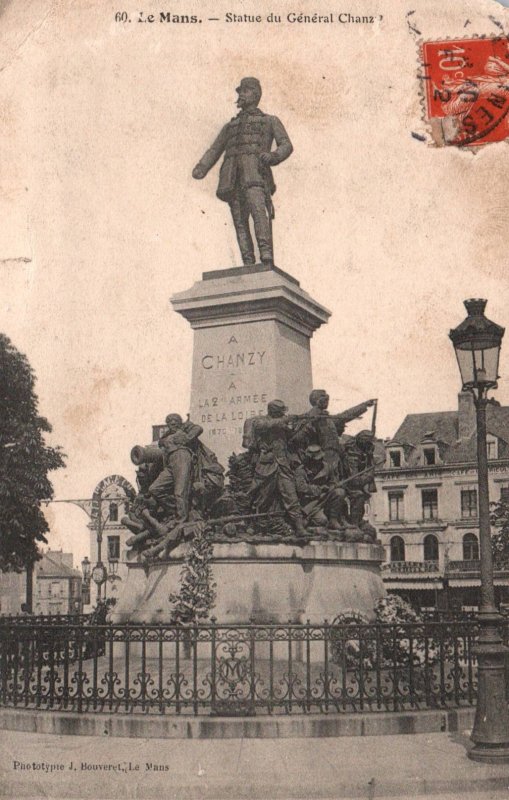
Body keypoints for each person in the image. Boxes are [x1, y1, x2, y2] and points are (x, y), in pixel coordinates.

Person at [192, 77, 293, 267]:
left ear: (255, 94)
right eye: (240, 92)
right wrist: (202, 168)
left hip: (256, 176)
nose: (240, 95)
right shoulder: (231, 126)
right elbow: (215, 149)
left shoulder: (269, 121)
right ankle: (247, 260)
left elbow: (286, 145)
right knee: (239, 221)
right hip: (232, 179)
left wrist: (273, 156)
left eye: (244, 91)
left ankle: (266, 256)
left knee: (258, 215)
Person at [248, 399, 306, 536]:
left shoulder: (282, 424)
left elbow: (293, 438)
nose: (282, 414)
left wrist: (298, 424)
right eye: (280, 411)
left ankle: (299, 527)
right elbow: (262, 426)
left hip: (283, 465)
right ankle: (253, 524)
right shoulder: (260, 421)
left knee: (291, 496)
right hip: (266, 465)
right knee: (262, 498)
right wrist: (285, 420)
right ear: (273, 411)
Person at [147, 413, 203, 521]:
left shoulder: (185, 427)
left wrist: (187, 438)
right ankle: (179, 510)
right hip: (169, 463)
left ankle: (181, 519)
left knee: (179, 492)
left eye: (176, 420)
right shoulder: (165, 436)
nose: (173, 422)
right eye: (170, 421)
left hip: (182, 457)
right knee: (154, 489)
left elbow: (198, 428)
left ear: (180, 422)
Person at [294, 445, 349, 530]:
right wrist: (320, 489)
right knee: (322, 521)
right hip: (309, 502)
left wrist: (333, 486)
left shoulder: (326, 467)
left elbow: (332, 481)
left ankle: (333, 520)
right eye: (317, 459)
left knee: (340, 492)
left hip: (325, 499)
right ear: (310, 460)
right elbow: (301, 488)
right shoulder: (300, 471)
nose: (320, 460)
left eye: (321, 458)